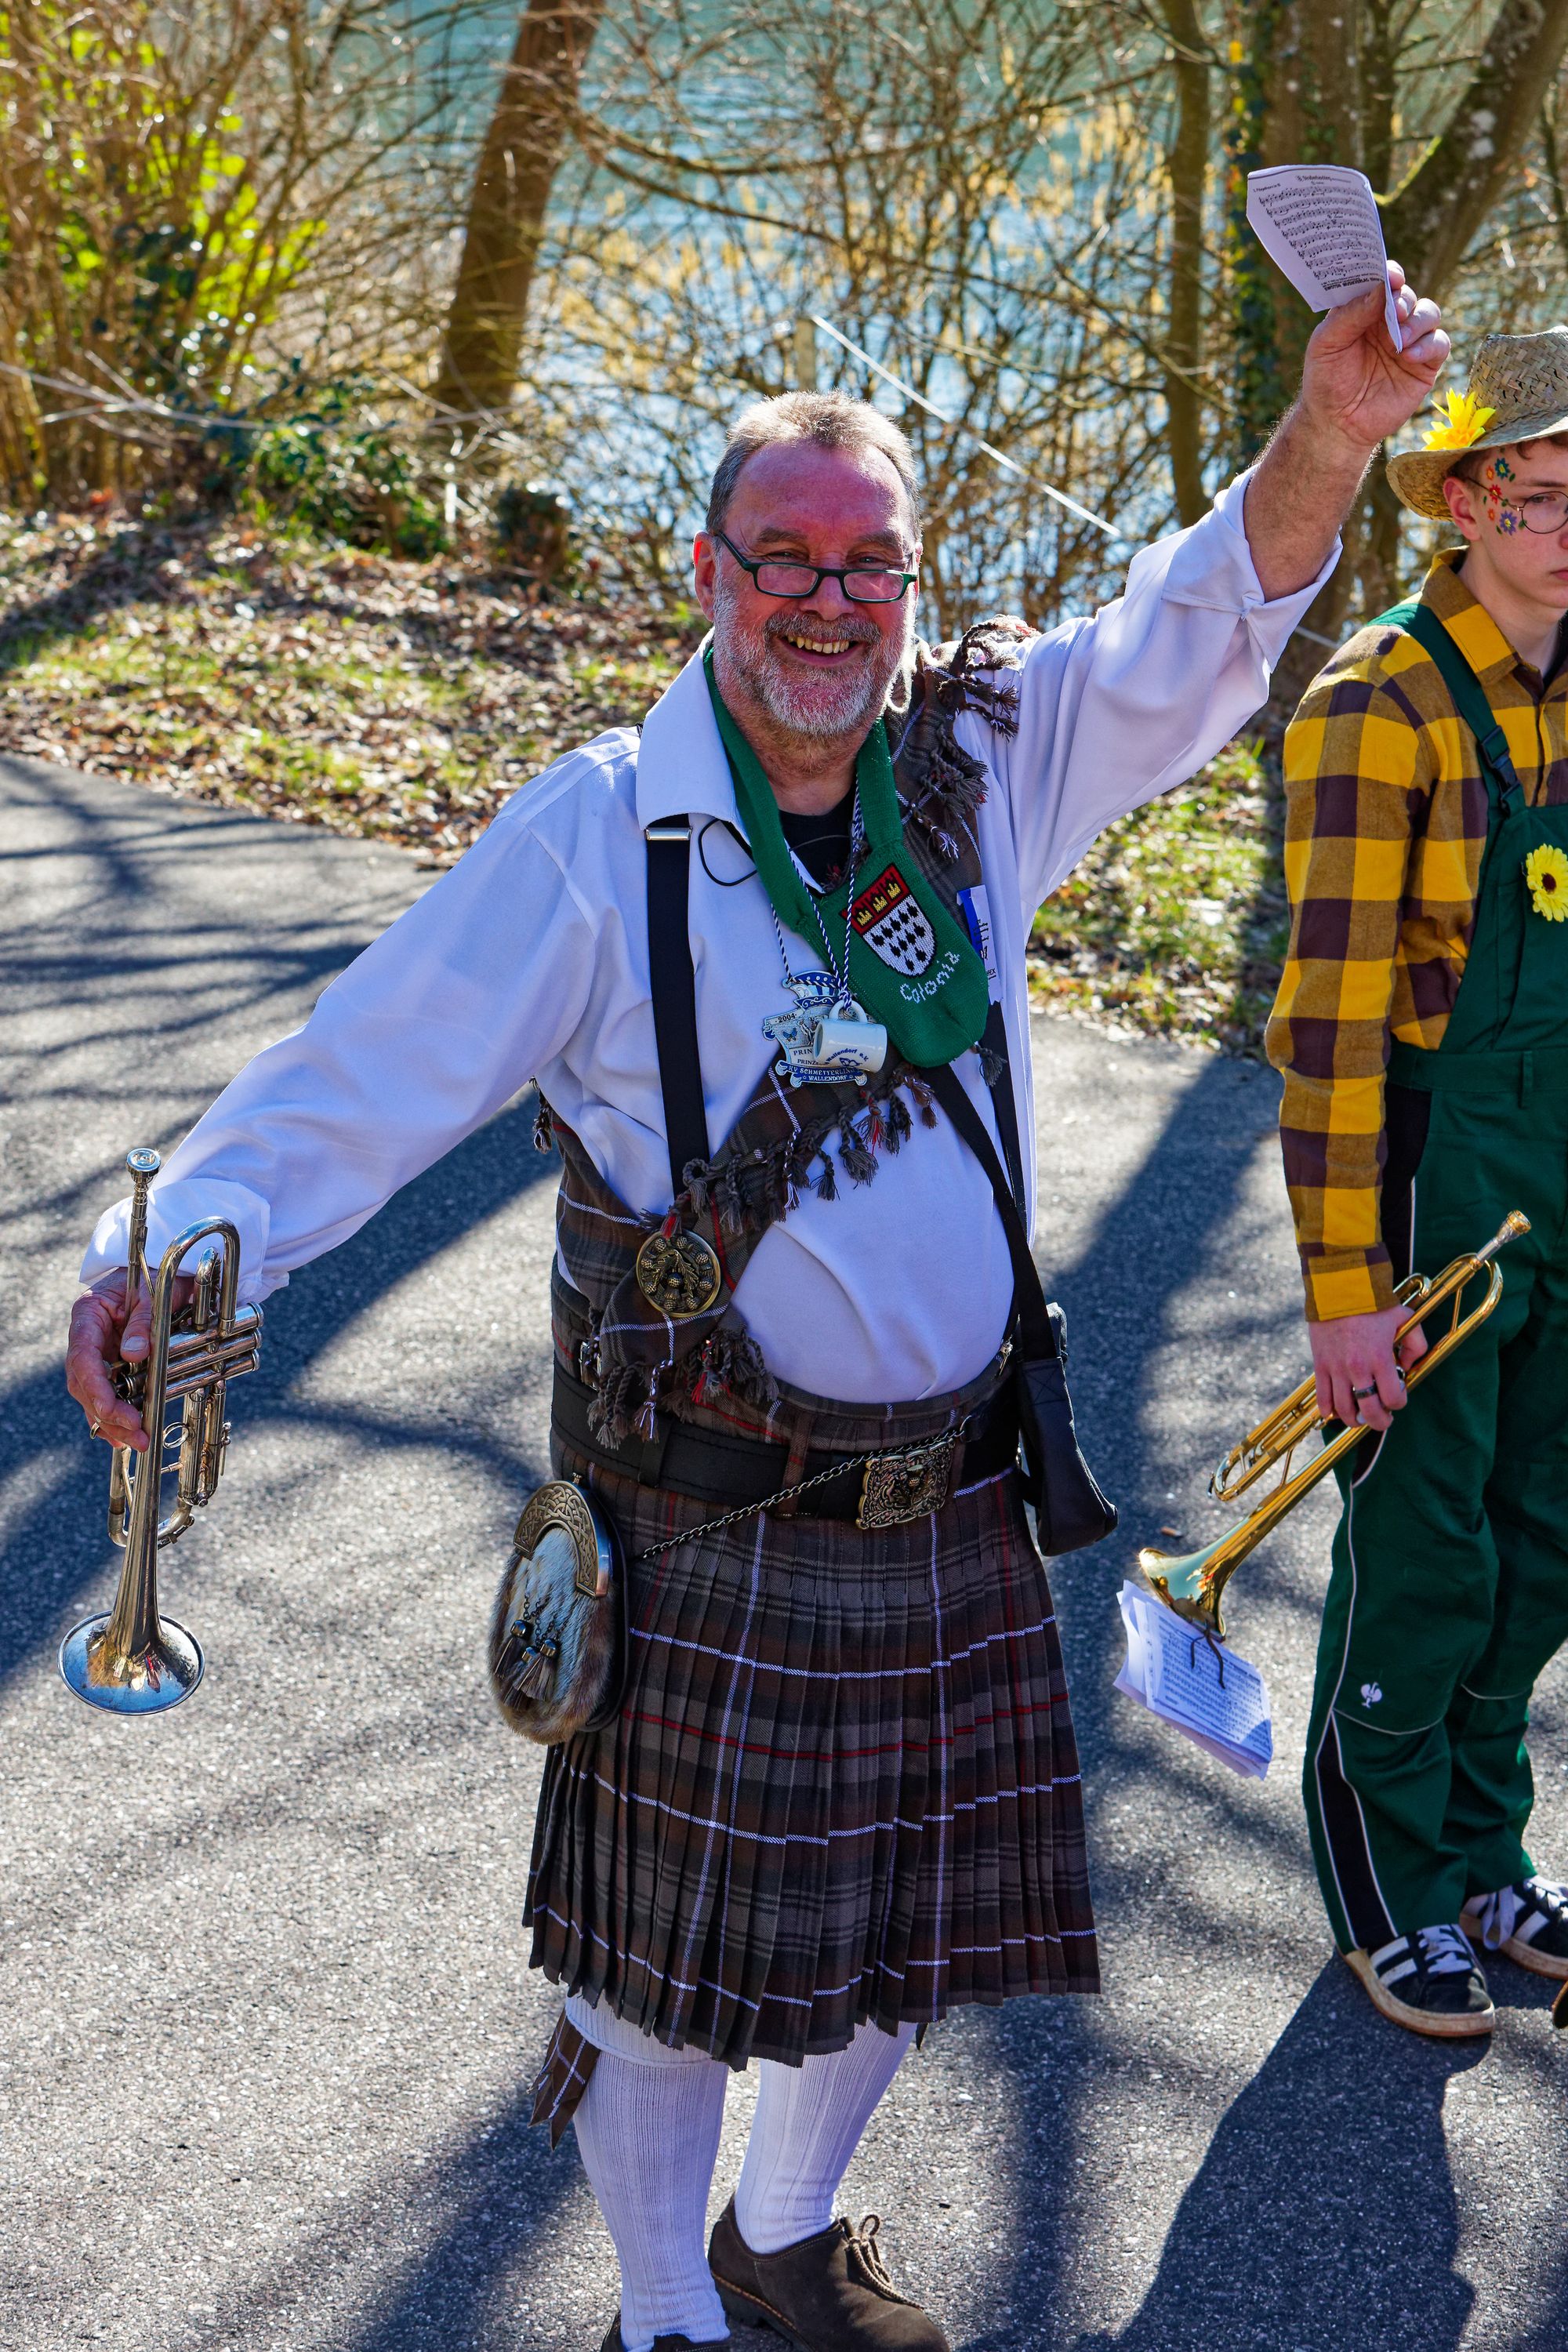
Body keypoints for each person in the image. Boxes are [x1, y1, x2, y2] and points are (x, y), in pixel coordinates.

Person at [68, 266, 1443, 2351]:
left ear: (915, 583)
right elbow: (347, 1086)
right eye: (781, 559)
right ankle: (662, 2317)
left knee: (899, 1941)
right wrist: (178, 1258)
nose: (826, 603)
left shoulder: (983, 760)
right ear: (702, 570)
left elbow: (1198, 629)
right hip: (702, 1522)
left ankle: (785, 2241)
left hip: (955, 1498)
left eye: (867, 563)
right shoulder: (598, 837)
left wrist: (1334, 426)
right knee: (657, 1994)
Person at [1269, 328, 1568, 2042]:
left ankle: (1481, 1854)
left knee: (1541, 1541)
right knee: (1425, 1550)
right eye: (1538, 492)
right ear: (1458, 502)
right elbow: (1326, 1029)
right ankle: (1384, 1890)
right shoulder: (1372, 704)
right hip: (1430, 1175)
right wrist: (1340, 1296)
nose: (1566, 524)